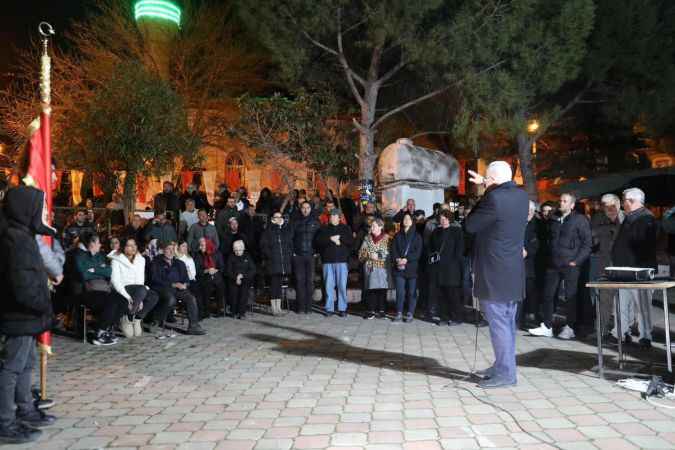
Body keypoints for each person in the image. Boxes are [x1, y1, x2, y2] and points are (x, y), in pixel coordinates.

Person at [0, 186, 59, 443]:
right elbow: (22, 284)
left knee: (26, 364)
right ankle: (6, 422)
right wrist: (43, 306)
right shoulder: (15, 240)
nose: (43, 212)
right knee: (13, 367)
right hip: (19, 314)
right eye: (40, 207)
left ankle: (24, 410)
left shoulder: (21, 235)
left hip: (26, 315)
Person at [464, 161, 529, 389]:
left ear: (491, 180)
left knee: (499, 324)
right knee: (507, 324)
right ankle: (503, 366)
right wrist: (488, 184)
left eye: (487, 179)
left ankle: (506, 374)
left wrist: (484, 191)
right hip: (512, 271)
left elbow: (470, 225)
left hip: (494, 272)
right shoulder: (522, 197)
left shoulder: (492, 198)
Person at [529, 193, 591, 340]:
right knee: (548, 295)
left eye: (565, 201)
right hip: (554, 264)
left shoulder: (579, 220)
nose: (561, 203)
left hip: (571, 264)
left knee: (570, 296)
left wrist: (576, 261)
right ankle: (547, 326)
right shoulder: (554, 219)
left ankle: (569, 327)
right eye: (560, 200)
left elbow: (587, 244)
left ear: (572, 205)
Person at [610, 188, 658, 347]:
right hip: (624, 270)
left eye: (624, 200)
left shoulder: (646, 218)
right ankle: (621, 333)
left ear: (633, 201)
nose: (623, 203)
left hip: (639, 271)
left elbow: (644, 245)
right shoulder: (631, 217)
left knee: (642, 306)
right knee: (622, 305)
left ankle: (645, 336)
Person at [74, 233, 127, 346]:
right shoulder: (80, 256)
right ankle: (99, 333)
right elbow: (84, 275)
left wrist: (94, 270)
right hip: (89, 291)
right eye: (98, 242)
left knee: (123, 300)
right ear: (92, 244)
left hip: (105, 289)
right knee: (111, 302)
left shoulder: (101, 256)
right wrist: (99, 270)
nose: (100, 245)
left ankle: (108, 328)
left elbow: (109, 272)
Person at [148, 241, 205, 335]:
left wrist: (185, 285)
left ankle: (193, 326)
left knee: (191, 298)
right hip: (162, 288)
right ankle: (156, 321)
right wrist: (173, 284)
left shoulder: (180, 263)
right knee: (171, 299)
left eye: (173, 249)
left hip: (178, 289)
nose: (171, 252)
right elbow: (155, 279)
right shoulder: (156, 262)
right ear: (163, 251)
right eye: (168, 249)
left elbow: (186, 279)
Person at [110, 237, 159, 339]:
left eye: (134, 245)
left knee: (153, 296)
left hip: (138, 290)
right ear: (124, 247)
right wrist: (128, 298)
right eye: (129, 245)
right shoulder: (116, 259)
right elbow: (115, 282)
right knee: (141, 290)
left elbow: (140, 280)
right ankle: (127, 317)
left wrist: (140, 297)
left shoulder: (141, 259)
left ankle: (137, 318)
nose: (132, 248)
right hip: (123, 289)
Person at [589, 193, 623, 339]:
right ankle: (601, 330)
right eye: (604, 205)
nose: (607, 208)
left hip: (623, 265)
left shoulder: (627, 218)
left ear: (618, 204)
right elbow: (591, 238)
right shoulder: (598, 218)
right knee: (603, 298)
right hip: (603, 263)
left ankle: (623, 332)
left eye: (610, 204)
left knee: (624, 301)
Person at [427, 209, 464, 326]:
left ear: (449, 219)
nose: (443, 220)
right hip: (438, 267)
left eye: (445, 218)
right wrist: (432, 257)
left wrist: (455, 262)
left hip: (452, 268)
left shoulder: (456, 231)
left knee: (452, 293)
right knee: (441, 293)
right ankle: (443, 316)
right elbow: (430, 247)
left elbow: (460, 249)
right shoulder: (436, 232)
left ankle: (456, 317)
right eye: (441, 219)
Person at [315, 208, 353, 317]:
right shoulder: (324, 229)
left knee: (341, 285)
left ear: (339, 218)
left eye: (335, 216)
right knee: (328, 286)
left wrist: (340, 239)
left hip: (341, 261)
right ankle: (329, 308)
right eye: (331, 216)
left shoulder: (345, 228)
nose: (332, 217)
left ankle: (342, 308)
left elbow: (351, 242)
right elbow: (318, 242)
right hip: (327, 261)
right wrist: (330, 239)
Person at [390, 212, 422, 323]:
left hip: (412, 268)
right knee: (400, 291)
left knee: (411, 292)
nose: (406, 220)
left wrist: (407, 259)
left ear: (412, 221)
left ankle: (410, 312)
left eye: (408, 219)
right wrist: (397, 259)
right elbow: (393, 250)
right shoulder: (397, 235)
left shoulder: (417, 236)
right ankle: (399, 312)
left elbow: (418, 252)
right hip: (399, 268)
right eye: (405, 219)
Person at [260, 212, 293, 316]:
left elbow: (289, 244)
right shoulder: (268, 231)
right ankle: (274, 308)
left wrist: (288, 255)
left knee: (279, 286)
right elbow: (263, 246)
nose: (279, 219)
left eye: (280, 217)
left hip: (283, 263)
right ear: (272, 219)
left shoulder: (284, 230)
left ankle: (279, 308)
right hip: (273, 262)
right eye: (276, 217)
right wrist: (271, 256)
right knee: (274, 286)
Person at [359, 218, 391, 320]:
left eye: (374, 226)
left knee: (382, 289)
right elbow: (361, 252)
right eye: (371, 226)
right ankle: (371, 310)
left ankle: (382, 310)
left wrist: (378, 255)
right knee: (371, 289)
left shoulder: (387, 238)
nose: (371, 228)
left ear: (380, 227)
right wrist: (368, 254)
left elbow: (389, 251)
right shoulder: (367, 238)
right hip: (370, 267)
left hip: (382, 267)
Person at [292, 201, 320, 315]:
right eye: (303, 208)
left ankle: (309, 306)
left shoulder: (316, 222)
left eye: (307, 207)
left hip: (311, 256)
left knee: (310, 281)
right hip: (298, 256)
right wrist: (293, 252)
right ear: (300, 209)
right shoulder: (295, 222)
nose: (305, 210)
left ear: (310, 209)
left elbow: (319, 238)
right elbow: (291, 238)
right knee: (299, 281)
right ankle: (301, 307)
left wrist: (317, 252)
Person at [517, 201, 540, 329]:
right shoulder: (519, 223)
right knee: (521, 293)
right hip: (519, 263)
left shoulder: (536, 225)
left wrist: (528, 251)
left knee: (530, 293)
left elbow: (537, 242)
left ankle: (531, 318)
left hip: (531, 264)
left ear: (532, 211)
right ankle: (519, 320)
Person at [194, 237, 226, 317]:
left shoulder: (217, 253)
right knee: (206, 287)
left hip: (216, 275)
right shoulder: (198, 255)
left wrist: (215, 270)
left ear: (208, 245)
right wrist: (207, 271)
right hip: (204, 277)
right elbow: (197, 270)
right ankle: (206, 311)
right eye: (200, 245)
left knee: (221, 286)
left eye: (202, 246)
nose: (200, 247)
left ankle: (220, 309)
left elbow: (222, 267)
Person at [226, 240, 256, 319]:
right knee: (234, 293)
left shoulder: (247, 256)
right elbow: (228, 271)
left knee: (244, 294)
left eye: (239, 250)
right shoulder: (231, 257)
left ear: (243, 249)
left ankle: (242, 313)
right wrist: (236, 277)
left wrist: (242, 276)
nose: (237, 252)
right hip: (233, 279)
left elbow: (253, 269)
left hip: (245, 279)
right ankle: (234, 312)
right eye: (235, 250)